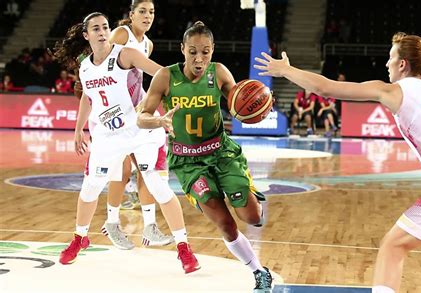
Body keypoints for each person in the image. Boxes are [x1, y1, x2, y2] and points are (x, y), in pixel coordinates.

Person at [254, 32, 421, 293]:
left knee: (393, 246)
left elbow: (326, 88)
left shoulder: (394, 90)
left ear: (402, 64)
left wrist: (286, 70)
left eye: (390, 58)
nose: (386, 64)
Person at [52, 12, 200, 274]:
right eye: (95, 28)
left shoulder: (125, 54)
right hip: (109, 136)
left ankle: (183, 248)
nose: (101, 31)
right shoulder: (85, 66)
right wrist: (78, 131)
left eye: (105, 27)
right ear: (86, 35)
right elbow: (88, 98)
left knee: (159, 187)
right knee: (90, 188)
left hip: (144, 130)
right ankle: (80, 238)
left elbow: (162, 74)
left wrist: (167, 102)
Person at [138, 21, 273, 292]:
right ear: (182, 50)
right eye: (192, 52)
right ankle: (259, 270)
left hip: (221, 153)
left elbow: (239, 103)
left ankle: (249, 194)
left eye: (205, 51)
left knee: (252, 217)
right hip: (188, 163)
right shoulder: (165, 77)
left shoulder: (219, 72)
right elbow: (142, 117)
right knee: (225, 224)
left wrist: (260, 105)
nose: (199, 58)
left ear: (212, 51)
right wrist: (158, 121)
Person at [102, 0, 174, 250]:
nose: (147, 16)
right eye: (142, 11)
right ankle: (111, 223)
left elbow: (139, 76)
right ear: (131, 15)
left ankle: (150, 226)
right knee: (121, 173)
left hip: (137, 113)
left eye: (152, 12)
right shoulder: (121, 34)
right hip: (114, 114)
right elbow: (103, 66)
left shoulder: (148, 43)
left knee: (147, 168)